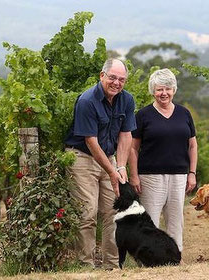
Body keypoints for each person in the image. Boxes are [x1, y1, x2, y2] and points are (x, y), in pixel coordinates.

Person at [64, 58, 136, 269]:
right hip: (83, 158)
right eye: (112, 77)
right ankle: (85, 266)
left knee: (113, 213)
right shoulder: (87, 100)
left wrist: (120, 167)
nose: (116, 82)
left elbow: (126, 135)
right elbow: (90, 141)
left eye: (121, 79)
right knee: (87, 213)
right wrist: (112, 172)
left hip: (110, 157)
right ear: (102, 75)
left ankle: (111, 266)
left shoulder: (127, 100)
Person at [128, 68, 197, 254]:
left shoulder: (184, 114)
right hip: (150, 177)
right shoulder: (143, 115)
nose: (163, 93)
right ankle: (151, 258)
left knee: (176, 220)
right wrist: (133, 176)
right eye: (159, 89)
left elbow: (192, 145)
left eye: (167, 89)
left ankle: (176, 256)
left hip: (179, 176)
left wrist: (192, 173)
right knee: (150, 221)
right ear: (153, 91)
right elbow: (132, 148)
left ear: (174, 90)